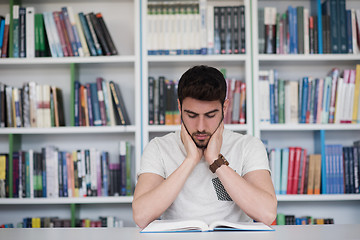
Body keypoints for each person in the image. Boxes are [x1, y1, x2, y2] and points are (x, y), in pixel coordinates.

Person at [132, 65, 277, 229]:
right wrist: (190, 160)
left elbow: (267, 214)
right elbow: (141, 216)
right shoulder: (158, 148)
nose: (201, 127)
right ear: (180, 108)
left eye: (210, 115)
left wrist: (215, 160)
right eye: (191, 115)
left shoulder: (248, 146)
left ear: (225, 108)